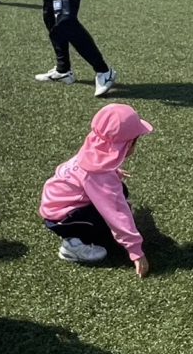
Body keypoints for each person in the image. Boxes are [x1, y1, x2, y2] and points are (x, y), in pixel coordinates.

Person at [39, 104, 152, 278]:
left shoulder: (92, 151)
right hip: (63, 218)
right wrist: (136, 251)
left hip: (58, 205)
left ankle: (82, 231)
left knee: (120, 191)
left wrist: (114, 172)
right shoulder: (99, 175)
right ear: (127, 145)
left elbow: (87, 174)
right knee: (115, 212)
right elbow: (116, 212)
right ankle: (72, 246)